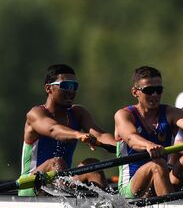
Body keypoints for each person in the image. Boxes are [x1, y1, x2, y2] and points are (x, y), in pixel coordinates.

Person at [113, 66, 183, 199]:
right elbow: (131, 138)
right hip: (132, 187)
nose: (155, 94)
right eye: (149, 90)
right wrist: (148, 145)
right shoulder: (124, 115)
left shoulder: (171, 113)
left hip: (163, 177)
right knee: (157, 165)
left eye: (158, 90)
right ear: (135, 92)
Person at [19, 64, 115, 197]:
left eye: (74, 87)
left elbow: (100, 135)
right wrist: (78, 134)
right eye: (65, 86)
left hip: (63, 181)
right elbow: (54, 130)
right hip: (31, 185)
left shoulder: (78, 113)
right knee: (56, 162)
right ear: (48, 88)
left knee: (92, 165)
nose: (71, 91)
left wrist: (124, 146)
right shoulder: (36, 114)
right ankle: (71, 205)